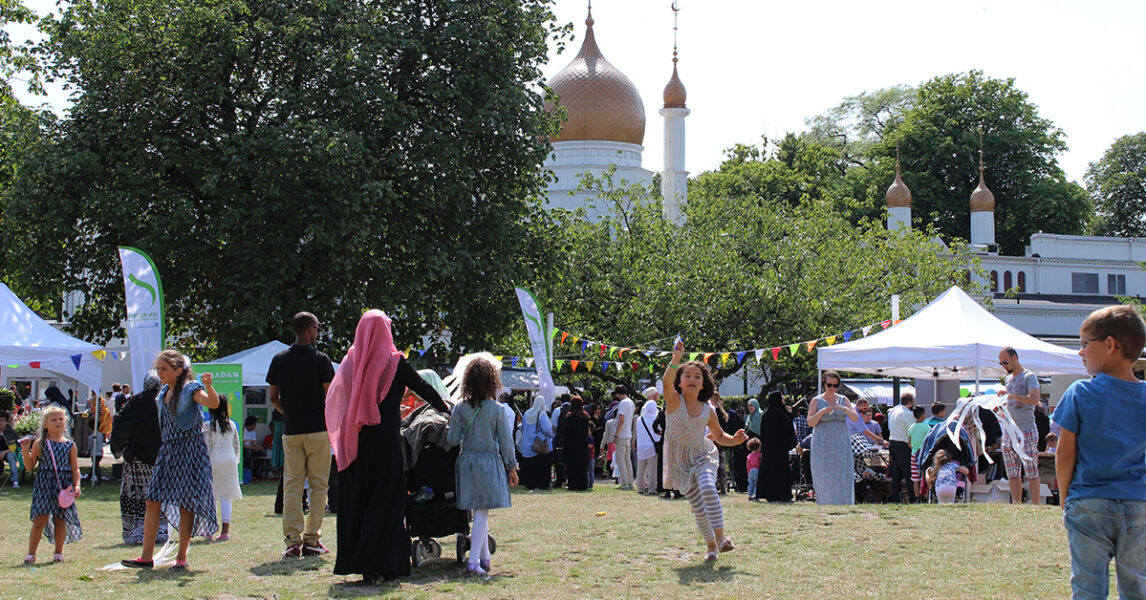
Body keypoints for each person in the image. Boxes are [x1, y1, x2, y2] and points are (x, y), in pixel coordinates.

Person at [326, 310, 448, 583]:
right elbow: (422, 387)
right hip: (387, 443)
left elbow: (337, 399)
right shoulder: (394, 362)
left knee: (361, 500)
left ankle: (364, 567)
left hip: (356, 444)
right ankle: (386, 564)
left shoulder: (350, 361)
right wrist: (446, 408)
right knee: (388, 503)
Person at [1053, 305, 1146, 600]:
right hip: (1139, 505)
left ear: (1109, 345)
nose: (1079, 352)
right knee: (1137, 587)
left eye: (1084, 344)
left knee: (1087, 588)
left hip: (1088, 502)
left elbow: (1065, 454)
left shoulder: (1080, 392)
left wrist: (1066, 500)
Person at [121, 350, 221, 570]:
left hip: (189, 452)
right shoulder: (163, 391)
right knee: (152, 500)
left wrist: (209, 386)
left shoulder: (190, 388)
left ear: (178, 370)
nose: (160, 372)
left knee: (187, 506)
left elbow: (212, 404)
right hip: (167, 452)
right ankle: (146, 557)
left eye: (164, 368)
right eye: (158, 368)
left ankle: (181, 558)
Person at [662, 340, 747, 562]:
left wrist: (735, 441)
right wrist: (676, 359)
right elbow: (665, 382)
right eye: (687, 376)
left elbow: (719, 436)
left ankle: (721, 539)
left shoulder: (708, 410)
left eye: (697, 377)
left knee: (709, 488)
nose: (692, 379)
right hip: (680, 463)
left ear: (703, 385)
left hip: (703, 456)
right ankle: (710, 546)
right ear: (679, 383)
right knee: (699, 509)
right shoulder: (673, 402)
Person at [267, 311, 337, 558]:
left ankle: (292, 542)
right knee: (319, 486)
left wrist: (289, 413)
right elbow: (331, 396)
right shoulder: (321, 359)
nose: (317, 332)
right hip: (318, 430)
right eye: (316, 327)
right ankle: (312, 540)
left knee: (292, 487)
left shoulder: (279, 359)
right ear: (309, 329)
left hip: (292, 430)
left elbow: (273, 397)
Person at [446, 355, 519, 576]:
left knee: (479, 512)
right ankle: (474, 562)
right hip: (488, 461)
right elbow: (506, 442)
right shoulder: (496, 409)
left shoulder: (459, 408)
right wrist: (512, 467)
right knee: (482, 513)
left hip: (466, 461)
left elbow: (452, 439)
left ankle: (485, 558)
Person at [109, 371, 167, 545]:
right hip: (159, 458)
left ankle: (136, 531)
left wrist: (122, 445)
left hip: (138, 458)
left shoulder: (136, 400)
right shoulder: (164, 401)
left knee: (136, 496)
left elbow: (120, 420)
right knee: (158, 497)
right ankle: (161, 531)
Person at [20, 405, 82, 564]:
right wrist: (26, 451)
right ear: (45, 424)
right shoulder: (40, 443)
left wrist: (77, 485)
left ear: (66, 422)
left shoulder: (70, 445)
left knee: (60, 520)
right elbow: (29, 466)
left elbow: (75, 469)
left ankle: (58, 553)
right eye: (53, 419)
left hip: (62, 486)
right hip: (44, 485)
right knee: (39, 520)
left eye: (61, 419)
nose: (58, 422)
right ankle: (31, 554)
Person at [997, 346, 1042, 504]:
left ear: (1015, 358)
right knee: (1012, 472)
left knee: (1031, 470)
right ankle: (1016, 504)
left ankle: (1035, 505)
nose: (1004, 366)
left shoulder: (1029, 376)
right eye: (1001, 363)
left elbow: (1035, 399)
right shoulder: (1008, 379)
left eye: (1005, 362)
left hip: (1026, 428)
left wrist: (1011, 395)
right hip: (1009, 430)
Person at [807, 371, 859, 505]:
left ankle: (844, 501)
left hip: (841, 438)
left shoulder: (843, 399)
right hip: (822, 439)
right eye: (829, 385)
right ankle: (825, 501)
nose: (832, 388)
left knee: (842, 469)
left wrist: (846, 410)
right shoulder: (816, 400)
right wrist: (821, 412)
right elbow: (810, 422)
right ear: (824, 384)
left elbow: (855, 418)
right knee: (824, 470)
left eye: (835, 386)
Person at [203, 398, 242, 541]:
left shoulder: (208, 426)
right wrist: (235, 460)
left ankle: (209, 529)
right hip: (230, 459)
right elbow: (236, 444)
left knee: (212, 496)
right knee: (226, 496)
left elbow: (206, 447)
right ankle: (225, 531)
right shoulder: (231, 425)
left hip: (214, 460)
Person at [759, 390, 797, 502]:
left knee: (770, 471)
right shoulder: (781, 413)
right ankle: (782, 494)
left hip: (768, 448)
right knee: (781, 472)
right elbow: (788, 429)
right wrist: (789, 414)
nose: (784, 400)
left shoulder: (766, 414)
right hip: (780, 449)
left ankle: (769, 494)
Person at [517, 394, 553, 490]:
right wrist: (551, 435)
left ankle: (530, 484)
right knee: (541, 466)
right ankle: (542, 485)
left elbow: (523, 427)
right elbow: (547, 429)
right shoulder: (542, 414)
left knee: (530, 466)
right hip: (538, 444)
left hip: (527, 444)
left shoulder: (527, 413)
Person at [886, 393, 917, 503]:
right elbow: (911, 430)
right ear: (909, 402)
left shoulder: (893, 410)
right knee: (908, 473)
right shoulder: (907, 413)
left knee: (896, 474)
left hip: (893, 443)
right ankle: (912, 498)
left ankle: (896, 498)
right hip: (902, 445)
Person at [562, 396, 592, 491]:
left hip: (571, 446)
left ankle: (572, 485)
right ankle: (583, 485)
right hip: (583, 445)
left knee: (572, 466)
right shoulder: (585, 417)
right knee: (582, 467)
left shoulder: (570, 417)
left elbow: (565, 432)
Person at [634, 398, 661, 494]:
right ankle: (651, 489)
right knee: (652, 469)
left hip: (641, 447)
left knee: (641, 469)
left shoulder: (639, 419)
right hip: (652, 447)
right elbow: (658, 433)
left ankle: (640, 488)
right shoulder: (655, 419)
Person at [612, 386, 635, 490]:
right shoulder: (631, 402)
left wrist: (616, 434)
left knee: (620, 459)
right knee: (627, 459)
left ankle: (625, 482)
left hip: (622, 435)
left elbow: (621, 419)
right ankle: (630, 482)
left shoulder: (622, 403)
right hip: (628, 434)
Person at [908, 406, 929, 499]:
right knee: (925, 476)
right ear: (923, 415)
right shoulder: (927, 427)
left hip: (913, 454)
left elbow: (909, 443)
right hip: (923, 454)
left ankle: (917, 497)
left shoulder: (911, 427)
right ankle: (926, 496)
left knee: (915, 478)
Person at [1, 411, 19, 488]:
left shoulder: (11, 432)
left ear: (6, 422)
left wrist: (4, 452)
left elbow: (15, 445)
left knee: (11, 457)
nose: (0, 422)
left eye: (3, 420)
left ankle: (15, 481)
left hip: (8, 451)